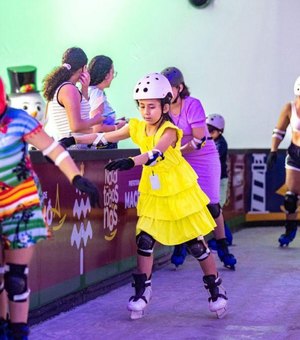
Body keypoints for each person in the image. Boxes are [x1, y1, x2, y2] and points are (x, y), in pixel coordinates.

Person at [59, 73, 228, 319]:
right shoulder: (137, 126)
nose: (146, 111)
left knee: (195, 244)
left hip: (178, 190)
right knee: (145, 241)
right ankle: (141, 293)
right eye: (141, 106)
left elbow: (155, 154)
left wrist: (130, 161)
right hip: (154, 191)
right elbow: (104, 137)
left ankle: (216, 290)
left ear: (165, 106)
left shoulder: (170, 130)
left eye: (151, 106)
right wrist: (71, 139)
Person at [0, 77, 99, 339]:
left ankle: (18, 331)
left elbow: (54, 150)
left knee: (15, 277)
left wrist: (75, 177)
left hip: (21, 207)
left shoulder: (19, 121)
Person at [161, 67, 236, 270]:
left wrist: (178, 152)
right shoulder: (164, 108)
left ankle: (223, 249)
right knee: (182, 203)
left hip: (204, 157)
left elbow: (200, 139)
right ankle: (180, 247)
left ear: (180, 88)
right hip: (182, 158)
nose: (164, 93)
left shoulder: (192, 105)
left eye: (168, 89)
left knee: (212, 206)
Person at [43, 47, 104, 146]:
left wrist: (84, 88)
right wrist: (95, 120)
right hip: (71, 147)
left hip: (70, 146)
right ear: (84, 67)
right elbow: (75, 126)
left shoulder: (64, 88)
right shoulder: (69, 89)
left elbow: (80, 113)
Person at [267, 76, 300, 247]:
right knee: (290, 198)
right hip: (296, 154)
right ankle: (289, 230)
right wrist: (273, 151)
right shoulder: (290, 108)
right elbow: (279, 130)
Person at [87, 55, 127, 147]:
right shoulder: (97, 95)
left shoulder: (90, 91)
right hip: (103, 147)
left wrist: (114, 121)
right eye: (113, 73)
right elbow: (97, 128)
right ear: (106, 75)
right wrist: (118, 127)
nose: (113, 77)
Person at [206, 114, 233, 247]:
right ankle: (223, 238)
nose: (209, 134)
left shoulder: (221, 144)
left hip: (219, 181)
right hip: (209, 180)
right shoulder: (207, 141)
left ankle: (225, 239)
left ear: (220, 131)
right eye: (207, 130)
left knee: (216, 210)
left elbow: (211, 158)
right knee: (212, 210)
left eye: (212, 131)